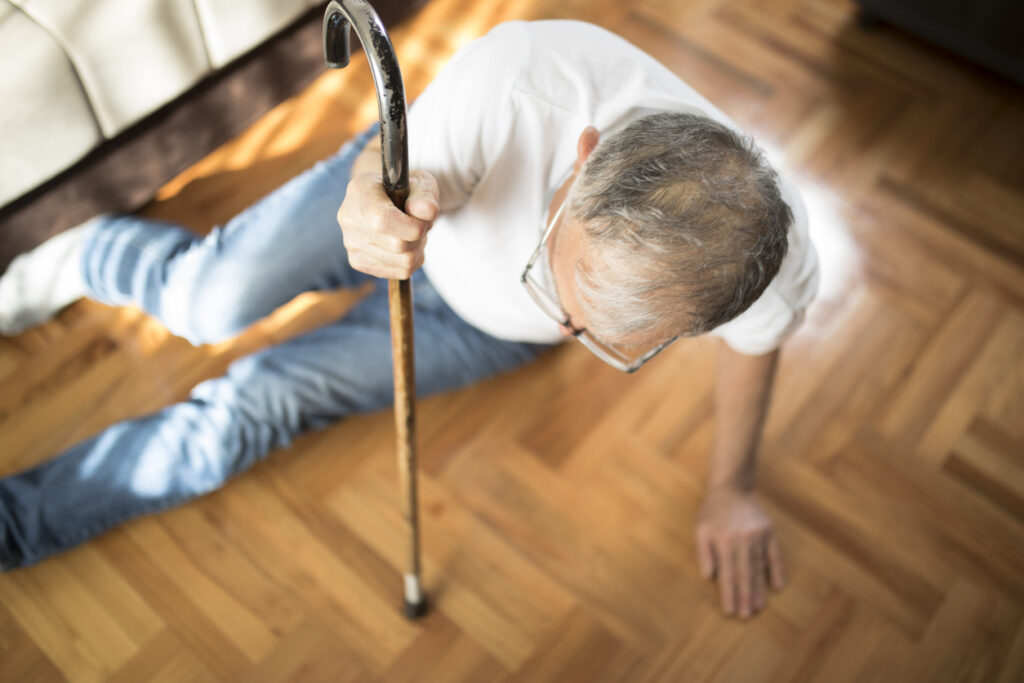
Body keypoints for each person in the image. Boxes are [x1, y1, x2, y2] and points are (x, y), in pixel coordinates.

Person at [0, 19, 818, 619]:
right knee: (203, 303)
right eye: (553, 277)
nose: (564, 327)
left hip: (479, 331)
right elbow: (384, 172)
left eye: (600, 338)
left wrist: (732, 490)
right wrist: (368, 201)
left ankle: (15, 525)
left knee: (261, 403)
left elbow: (759, 350)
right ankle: (84, 253)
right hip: (410, 185)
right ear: (583, 155)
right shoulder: (520, 78)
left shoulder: (760, 268)